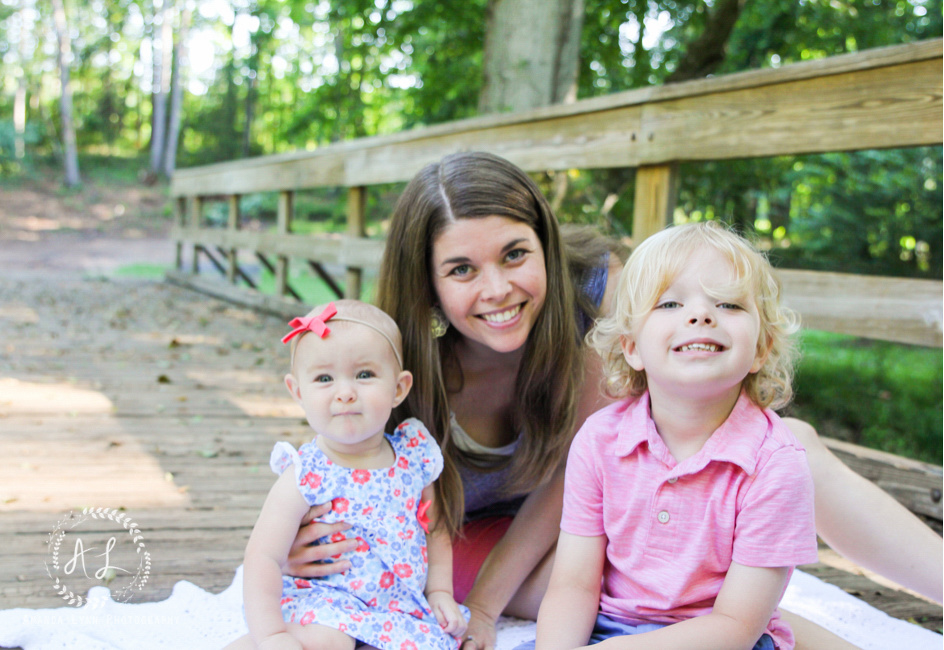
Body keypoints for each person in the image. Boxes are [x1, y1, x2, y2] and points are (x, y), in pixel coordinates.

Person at [281, 152, 942, 650]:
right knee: (652, 603)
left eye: (515, 254)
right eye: (461, 270)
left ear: (544, 240)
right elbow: (336, 454)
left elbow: (583, 467)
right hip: (468, 537)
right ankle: (751, 626)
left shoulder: (602, 297)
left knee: (792, 446)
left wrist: (488, 607)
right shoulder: (397, 368)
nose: (498, 289)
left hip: (592, 500)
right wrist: (299, 538)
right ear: (425, 281)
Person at [528, 221, 817, 649]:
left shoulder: (775, 464)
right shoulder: (600, 441)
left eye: (729, 305)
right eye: (669, 304)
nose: (700, 315)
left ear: (760, 348)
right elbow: (573, 586)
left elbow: (736, 625)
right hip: (609, 626)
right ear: (631, 347)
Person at [225, 300, 467, 650]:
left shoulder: (413, 457)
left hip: (396, 608)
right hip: (327, 601)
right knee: (330, 640)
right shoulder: (306, 474)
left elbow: (435, 528)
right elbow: (263, 556)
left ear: (399, 388)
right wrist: (271, 635)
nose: (345, 392)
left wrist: (440, 591)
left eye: (364, 374)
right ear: (298, 392)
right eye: (324, 378)